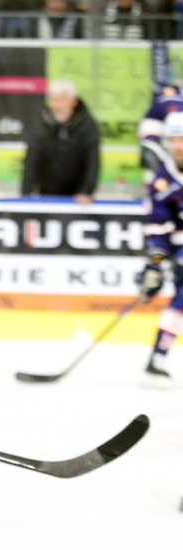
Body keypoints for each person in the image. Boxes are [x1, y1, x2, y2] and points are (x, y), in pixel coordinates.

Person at [137, 110, 183, 379]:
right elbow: (158, 226)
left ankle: (158, 357)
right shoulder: (162, 182)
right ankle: (158, 357)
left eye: (182, 139)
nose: (178, 146)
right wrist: (154, 263)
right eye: (173, 140)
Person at [20, 79, 100, 204]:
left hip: (78, 199)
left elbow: (93, 161)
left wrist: (85, 191)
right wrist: (25, 196)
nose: (57, 105)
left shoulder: (87, 125)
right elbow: (31, 162)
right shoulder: (41, 124)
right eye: (53, 100)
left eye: (62, 99)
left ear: (74, 101)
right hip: (47, 195)